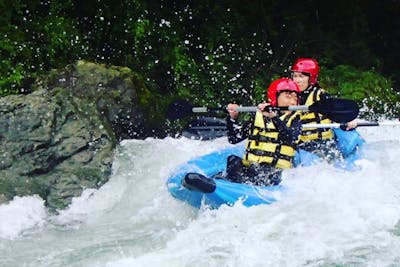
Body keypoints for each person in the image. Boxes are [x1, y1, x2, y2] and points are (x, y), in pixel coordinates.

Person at [225, 78, 302, 186]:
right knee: (233, 161)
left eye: (295, 98)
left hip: (275, 172)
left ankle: (244, 186)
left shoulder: (295, 119)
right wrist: (232, 118)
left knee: (268, 172)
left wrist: (274, 118)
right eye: (288, 96)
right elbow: (234, 139)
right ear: (274, 97)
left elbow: (290, 138)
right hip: (253, 168)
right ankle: (232, 185)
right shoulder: (258, 117)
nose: (293, 102)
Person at [290, 58, 357, 158]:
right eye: (295, 76)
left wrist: (349, 121)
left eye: (301, 76)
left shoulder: (321, 96)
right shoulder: (289, 96)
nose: (297, 80)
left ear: (311, 78)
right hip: (301, 144)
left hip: (323, 143)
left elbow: (338, 113)